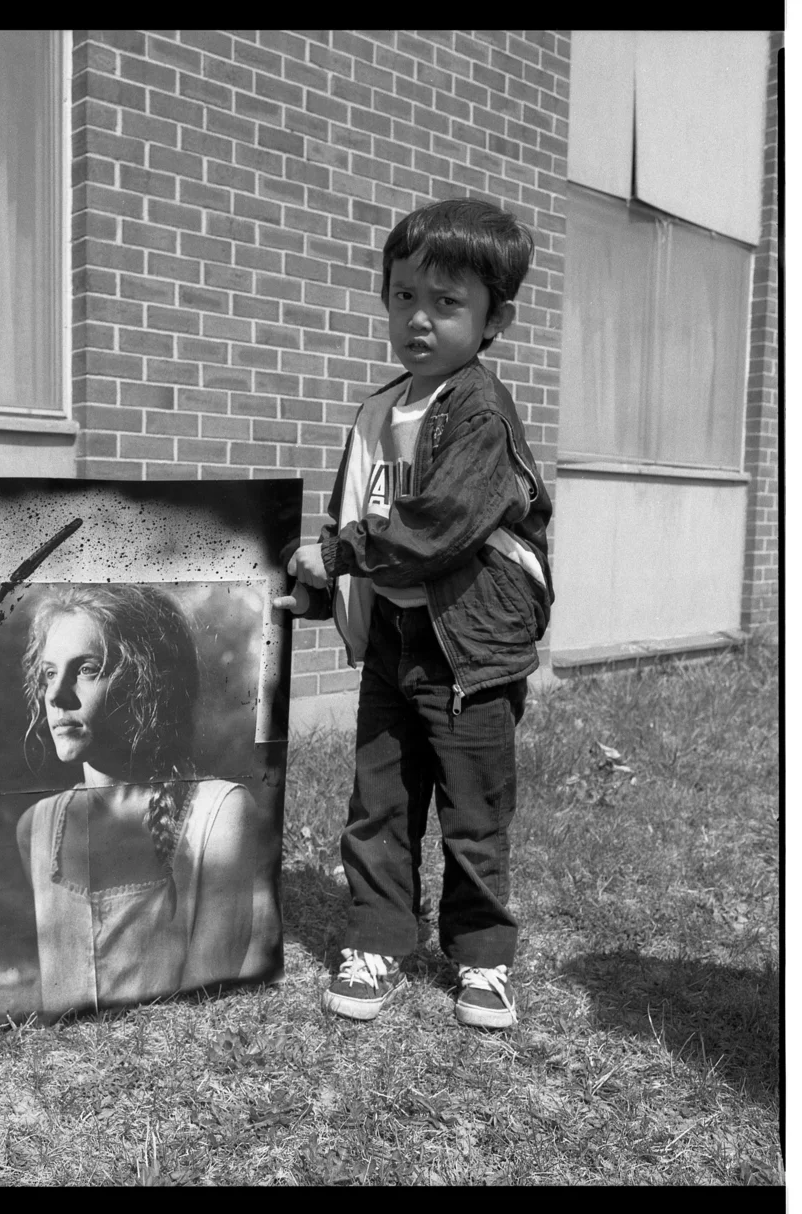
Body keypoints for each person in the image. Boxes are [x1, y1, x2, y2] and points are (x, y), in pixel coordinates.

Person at [274, 198, 553, 1029]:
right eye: (403, 297)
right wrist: (322, 585)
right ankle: (378, 938)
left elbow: (439, 526)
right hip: (397, 641)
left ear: (495, 317)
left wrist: (346, 554)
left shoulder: (479, 411)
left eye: (446, 302)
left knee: (473, 814)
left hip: (470, 647)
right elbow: (350, 514)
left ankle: (482, 958)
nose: (419, 319)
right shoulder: (377, 410)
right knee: (382, 801)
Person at [14, 585, 275, 1016]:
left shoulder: (217, 812)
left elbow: (208, 1002)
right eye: (48, 674)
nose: (58, 696)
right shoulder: (36, 828)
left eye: (87, 669)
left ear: (145, 679)